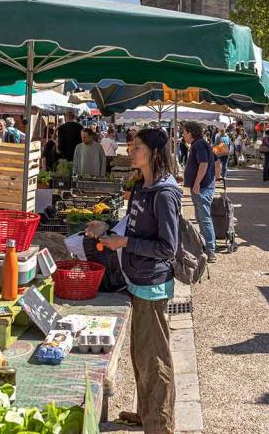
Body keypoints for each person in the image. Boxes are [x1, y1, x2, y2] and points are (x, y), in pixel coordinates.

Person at [94, 128, 179, 433]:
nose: (130, 151)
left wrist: (126, 244)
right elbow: (131, 224)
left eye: (137, 147)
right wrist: (108, 226)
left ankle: (160, 426)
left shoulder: (166, 194)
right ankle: (147, 413)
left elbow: (168, 248)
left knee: (154, 359)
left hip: (152, 283)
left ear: (155, 153)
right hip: (137, 279)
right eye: (130, 146)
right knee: (141, 354)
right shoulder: (142, 186)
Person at [183, 121, 219, 263]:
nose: (183, 135)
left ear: (190, 133)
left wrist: (197, 182)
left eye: (184, 132)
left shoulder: (198, 144)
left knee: (204, 219)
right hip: (204, 186)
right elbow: (216, 161)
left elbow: (204, 163)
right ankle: (205, 247)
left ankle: (210, 250)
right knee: (201, 218)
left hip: (202, 187)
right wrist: (215, 176)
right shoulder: (202, 144)